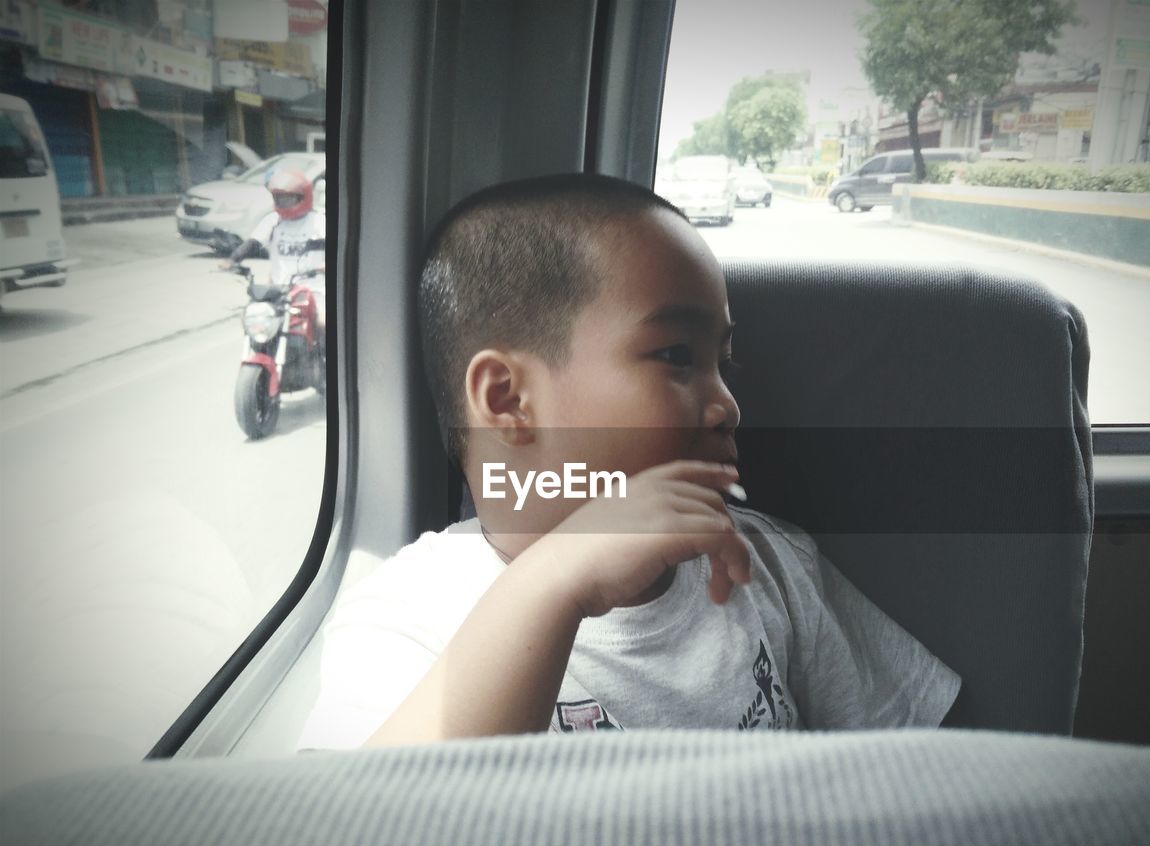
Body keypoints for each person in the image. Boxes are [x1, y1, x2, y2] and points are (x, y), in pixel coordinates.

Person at [298, 173, 960, 748]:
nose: (728, 406)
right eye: (676, 356)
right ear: (507, 400)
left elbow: (915, 772)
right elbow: (356, 839)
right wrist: (557, 579)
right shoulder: (406, 613)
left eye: (722, 364)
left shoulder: (768, 563)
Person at [222, 166, 326, 329]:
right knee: (251, 320)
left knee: (322, 324)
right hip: (279, 291)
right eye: (280, 198)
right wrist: (232, 259)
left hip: (313, 291)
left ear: (303, 197)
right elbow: (253, 243)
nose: (284, 203)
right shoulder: (273, 220)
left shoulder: (318, 221)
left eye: (289, 199)